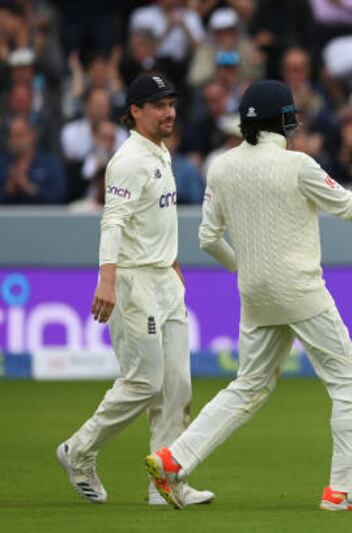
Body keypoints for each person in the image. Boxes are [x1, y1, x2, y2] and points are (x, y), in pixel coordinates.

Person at [143, 80, 352, 511]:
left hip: (255, 292)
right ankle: (343, 491)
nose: (294, 122)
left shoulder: (222, 167)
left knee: (248, 385)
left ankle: (173, 459)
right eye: (289, 116)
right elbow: (350, 209)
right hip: (299, 289)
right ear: (278, 121)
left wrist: (247, 268)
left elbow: (208, 238)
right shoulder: (298, 164)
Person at [56, 74, 214, 507]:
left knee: (177, 387)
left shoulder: (161, 151)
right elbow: (114, 222)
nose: (169, 112)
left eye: (171, 103)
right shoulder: (127, 160)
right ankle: (79, 451)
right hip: (133, 283)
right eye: (159, 105)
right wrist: (107, 280)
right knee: (145, 382)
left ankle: (165, 484)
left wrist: (174, 263)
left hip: (165, 279)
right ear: (136, 111)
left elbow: (156, 220)